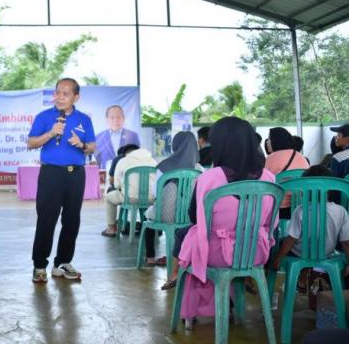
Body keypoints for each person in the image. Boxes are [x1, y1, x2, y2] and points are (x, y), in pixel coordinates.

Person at [174, 117, 278, 327]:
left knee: (191, 237)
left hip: (216, 254)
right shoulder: (268, 178)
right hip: (255, 251)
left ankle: (191, 309)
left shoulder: (210, 178)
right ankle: (231, 301)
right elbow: (271, 223)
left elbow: (195, 217)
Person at [27, 78, 96, 283]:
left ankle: (62, 263)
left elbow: (92, 147)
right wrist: (51, 133)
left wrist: (81, 144)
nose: (59, 97)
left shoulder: (85, 119)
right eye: (57, 92)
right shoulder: (44, 117)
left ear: (76, 97)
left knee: (72, 220)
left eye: (65, 94)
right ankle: (40, 265)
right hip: (51, 175)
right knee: (47, 219)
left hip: (76, 174)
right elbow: (31, 143)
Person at [271, 165, 349, 290]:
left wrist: (277, 259)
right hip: (326, 253)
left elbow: (291, 240)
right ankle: (313, 277)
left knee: (280, 242)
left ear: (304, 190)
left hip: (300, 253)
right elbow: (346, 242)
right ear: (330, 189)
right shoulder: (341, 211)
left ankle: (301, 278)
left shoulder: (300, 210)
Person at [144, 131, 201, 265]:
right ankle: (182, 259)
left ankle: (150, 257)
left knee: (148, 217)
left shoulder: (164, 166)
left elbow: (155, 192)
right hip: (190, 217)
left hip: (166, 215)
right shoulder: (199, 169)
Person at [101, 146, 157, 237]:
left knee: (108, 198)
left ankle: (111, 228)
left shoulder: (123, 161)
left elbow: (116, 185)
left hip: (130, 198)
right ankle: (151, 227)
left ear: (126, 154)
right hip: (151, 199)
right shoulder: (153, 161)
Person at [265, 127, 310, 219]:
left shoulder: (269, 159)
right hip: (302, 205)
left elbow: (263, 183)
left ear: (276, 141)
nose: (267, 142)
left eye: (269, 139)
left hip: (277, 207)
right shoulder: (301, 157)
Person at [94, 105, 140, 169]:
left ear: (123, 119)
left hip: (127, 174)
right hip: (106, 176)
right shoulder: (98, 138)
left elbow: (137, 158)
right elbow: (96, 162)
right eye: (112, 117)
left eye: (118, 117)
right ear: (107, 120)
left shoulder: (133, 136)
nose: (115, 120)